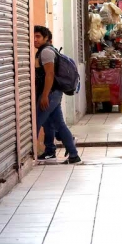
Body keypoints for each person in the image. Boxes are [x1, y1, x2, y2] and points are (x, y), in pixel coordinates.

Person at [34, 25, 81, 164]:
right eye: (34, 36)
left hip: (51, 94)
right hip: (53, 93)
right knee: (57, 124)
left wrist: (44, 96)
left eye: (38, 37)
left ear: (46, 38)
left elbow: (50, 74)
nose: (35, 39)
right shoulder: (43, 51)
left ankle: (30, 156)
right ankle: (72, 155)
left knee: (36, 122)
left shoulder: (46, 52)